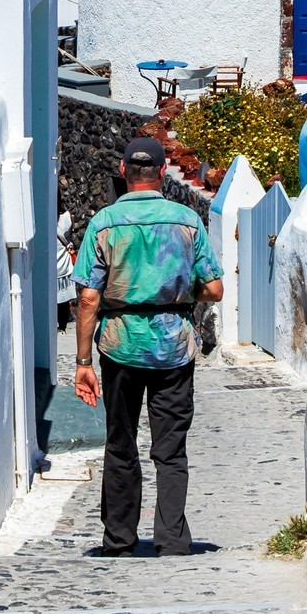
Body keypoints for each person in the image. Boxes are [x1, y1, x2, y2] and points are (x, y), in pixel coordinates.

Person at [70, 136, 224, 556]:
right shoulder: (187, 221)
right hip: (173, 344)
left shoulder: (103, 223)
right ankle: (172, 539)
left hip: (119, 342)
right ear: (160, 173)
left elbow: (88, 298)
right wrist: (180, 292)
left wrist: (83, 360)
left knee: (120, 443)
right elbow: (214, 288)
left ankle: (119, 539)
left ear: (123, 172)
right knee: (170, 449)